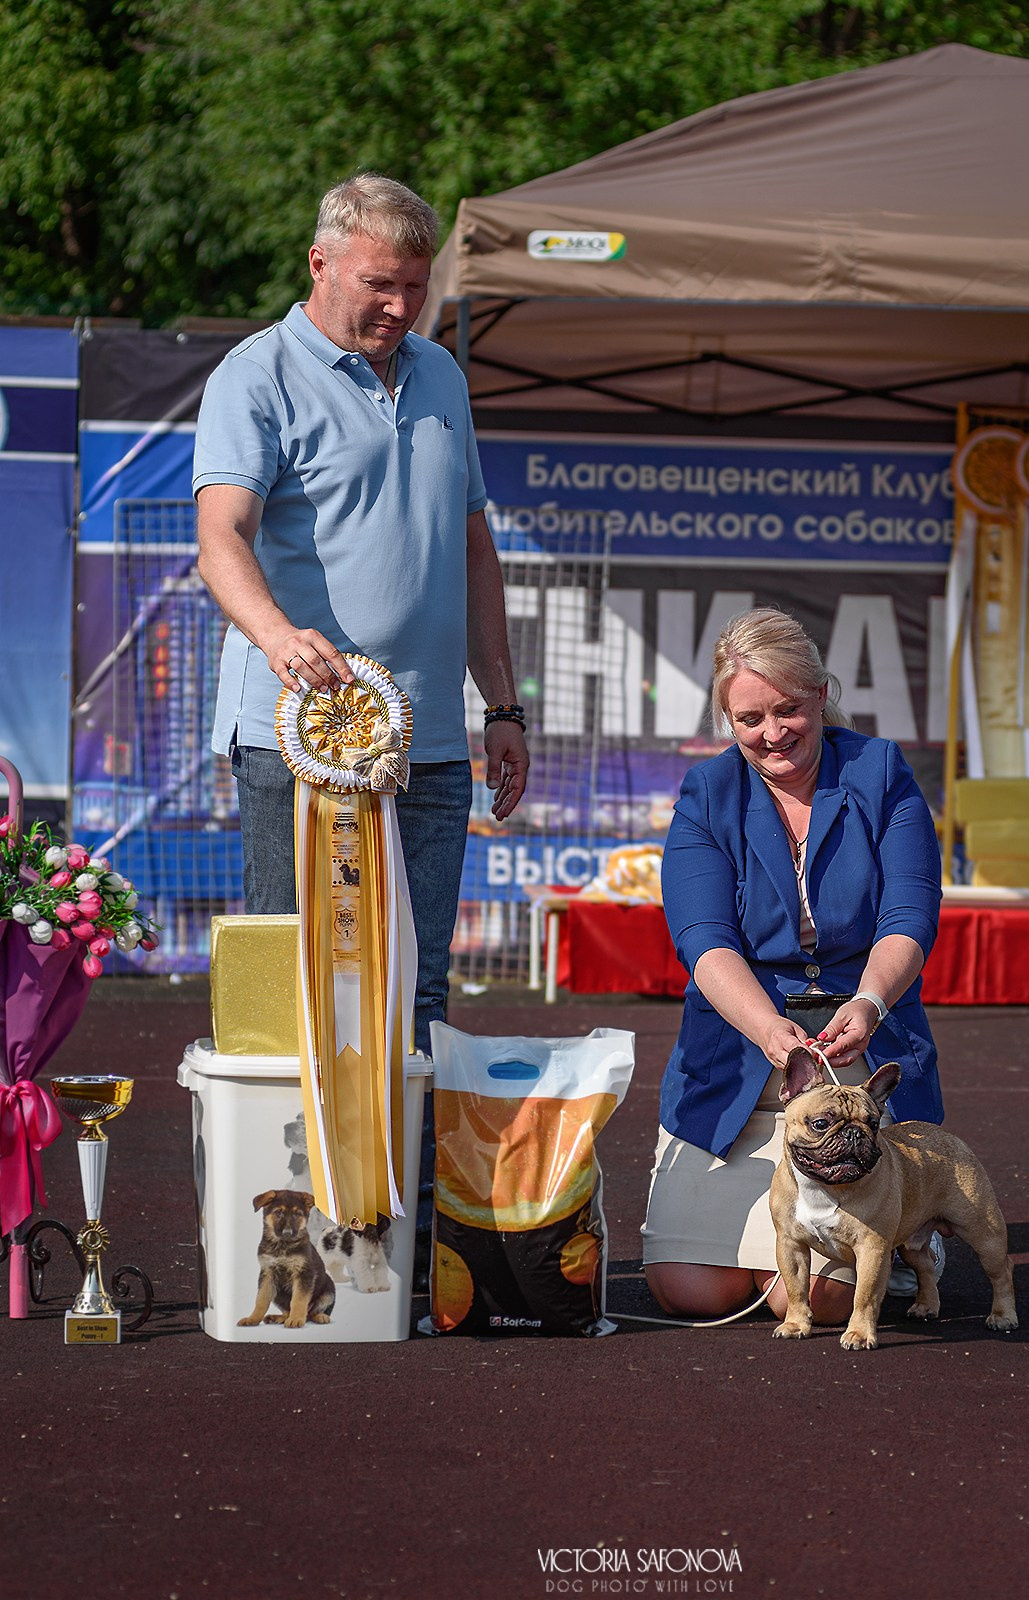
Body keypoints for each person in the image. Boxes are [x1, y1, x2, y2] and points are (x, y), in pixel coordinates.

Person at [193, 172, 529, 1252]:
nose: (399, 307)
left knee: (418, 986)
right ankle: (277, 1237)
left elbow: (474, 545)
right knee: (293, 980)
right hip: (295, 746)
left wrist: (504, 706)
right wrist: (278, 636)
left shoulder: (440, 374)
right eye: (379, 284)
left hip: (429, 744)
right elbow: (222, 539)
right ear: (320, 264)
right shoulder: (255, 375)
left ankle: (404, 1237)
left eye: (415, 288)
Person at [642, 606, 943, 1322]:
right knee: (691, 1292)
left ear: (819, 695)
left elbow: (909, 917)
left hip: (858, 1070)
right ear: (727, 720)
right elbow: (704, 939)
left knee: (818, 1298)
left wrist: (870, 1003)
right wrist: (768, 1031)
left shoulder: (881, 773)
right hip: (739, 1068)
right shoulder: (707, 794)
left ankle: (908, 1243)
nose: (772, 733)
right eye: (749, 719)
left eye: (787, 710)